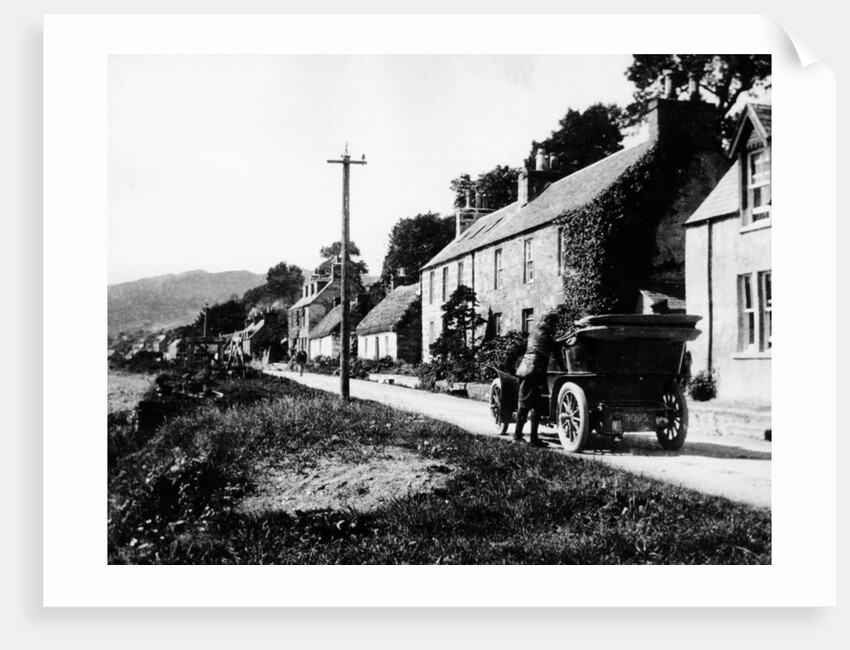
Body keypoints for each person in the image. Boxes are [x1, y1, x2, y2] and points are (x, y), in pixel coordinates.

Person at [513, 309, 560, 448]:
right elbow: (555, 352)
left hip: (528, 369)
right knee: (526, 404)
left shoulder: (535, 331)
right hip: (534, 371)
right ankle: (517, 437)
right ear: (549, 321)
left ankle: (533, 439)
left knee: (535, 406)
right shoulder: (545, 334)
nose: (555, 327)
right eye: (554, 323)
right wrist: (563, 367)